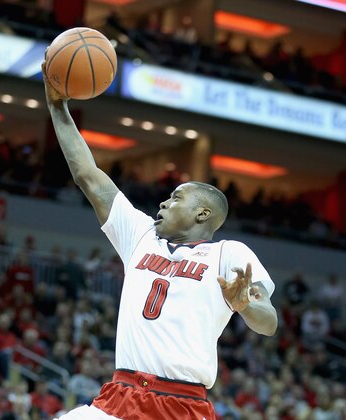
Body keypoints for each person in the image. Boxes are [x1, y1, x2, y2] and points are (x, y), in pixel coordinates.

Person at [41, 60, 278, 419]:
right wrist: (57, 106)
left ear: (203, 214)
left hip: (181, 404)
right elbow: (88, 176)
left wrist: (245, 305)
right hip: (120, 395)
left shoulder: (229, 253)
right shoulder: (141, 236)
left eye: (177, 197)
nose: (165, 201)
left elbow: (269, 322)